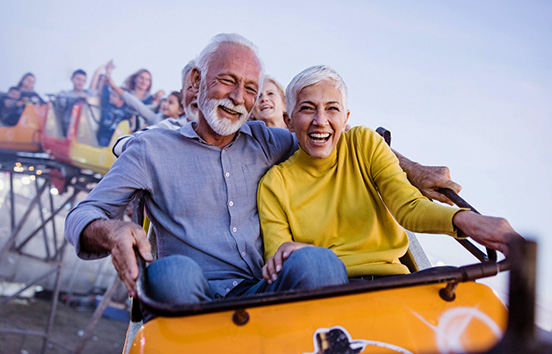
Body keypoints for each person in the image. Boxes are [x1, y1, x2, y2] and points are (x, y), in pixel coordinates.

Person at [64, 34, 468, 315]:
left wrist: (411, 168)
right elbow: (83, 213)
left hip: (264, 291)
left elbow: (333, 136)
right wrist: (113, 231)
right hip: (192, 293)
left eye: (251, 88)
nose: (239, 98)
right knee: (171, 272)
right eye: (228, 81)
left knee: (319, 265)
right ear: (196, 81)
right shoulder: (150, 148)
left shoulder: (267, 139)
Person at [258, 65, 522, 284]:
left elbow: (409, 206)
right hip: (329, 290)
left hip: (394, 283)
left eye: (332, 109)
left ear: (346, 116)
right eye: (307, 108)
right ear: (289, 120)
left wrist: (468, 221)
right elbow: (279, 259)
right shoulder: (275, 183)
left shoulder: (364, 142)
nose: (320, 120)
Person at [111, 59, 199, 157]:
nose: (165, 105)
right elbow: (137, 106)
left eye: (170, 103)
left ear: (180, 109)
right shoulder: (162, 123)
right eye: (191, 88)